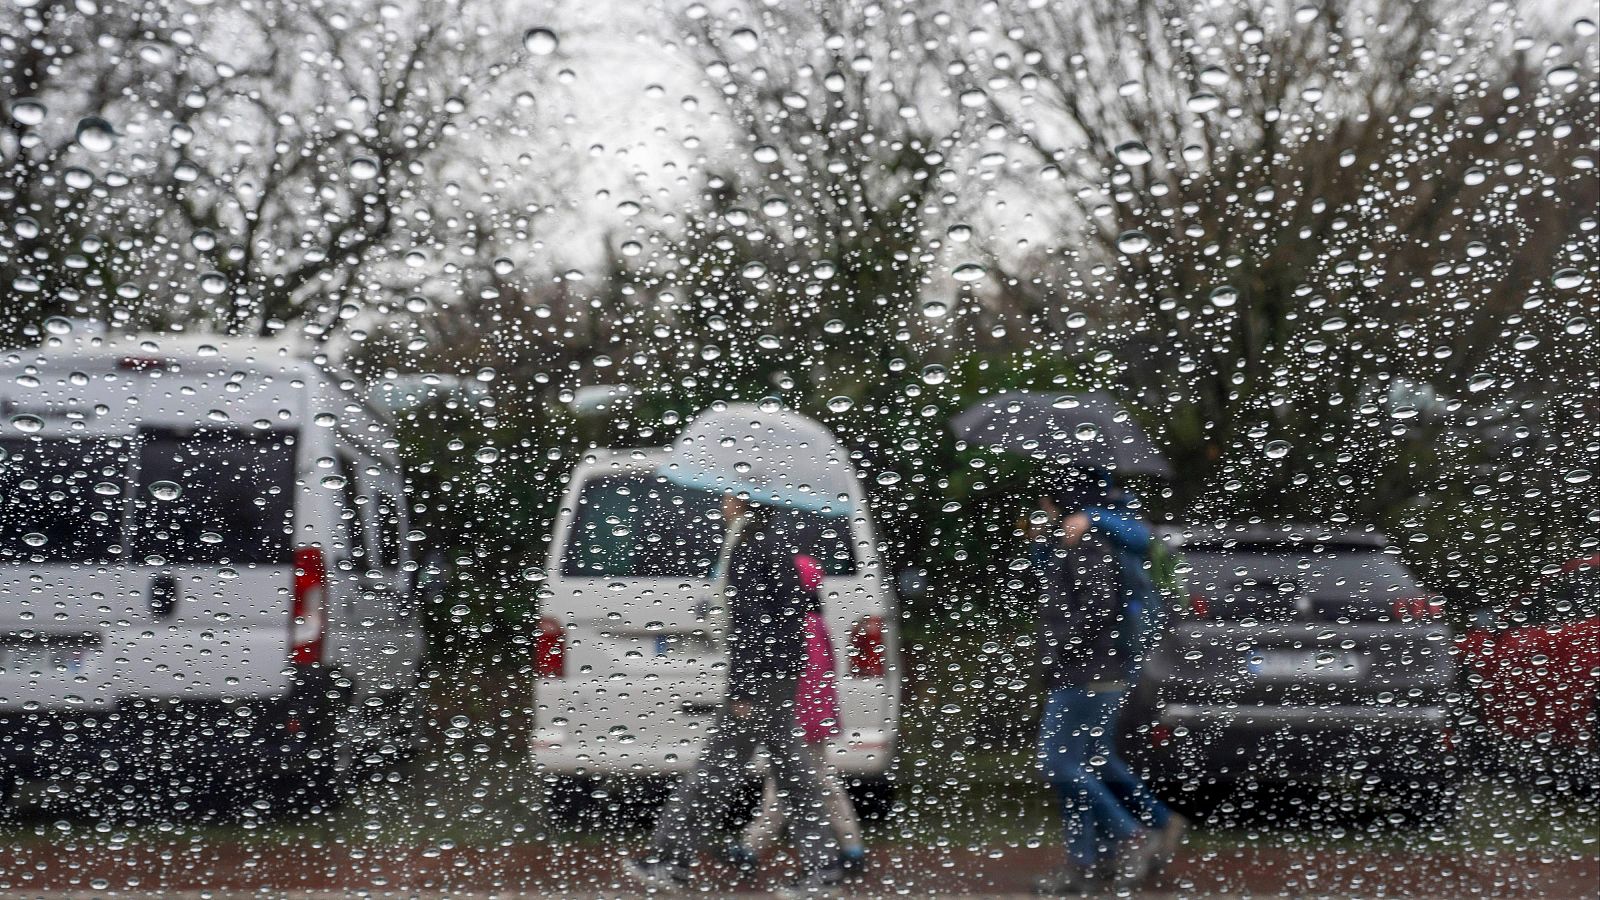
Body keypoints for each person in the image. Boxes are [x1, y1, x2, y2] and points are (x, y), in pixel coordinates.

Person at [625, 494, 841, 897]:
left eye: (728, 496)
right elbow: (784, 618)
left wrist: (742, 688)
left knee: (718, 772)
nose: (721, 503)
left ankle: (670, 860)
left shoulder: (748, 546)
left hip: (758, 682)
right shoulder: (775, 543)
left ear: (743, 501)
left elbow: (752, 622)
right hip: (777, 676)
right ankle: (824, 865)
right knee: (790, 774)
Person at [1032, 473, 1157, 895]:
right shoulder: (1071, 544)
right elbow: (1057, 588)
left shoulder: (1088, 544)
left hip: (1088, 674)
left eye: (1047, 502)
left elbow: (1097, 607)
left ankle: (1129, 833)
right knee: (1078, 767)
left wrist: (1061, 652)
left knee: (1058, 764)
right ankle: (1083, 863)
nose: (1043, 509)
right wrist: (1039, 544)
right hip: (1089, 671)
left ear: (1059, 503)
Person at [725, 553, 867, 875]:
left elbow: (805, 679)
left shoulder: (797, 627)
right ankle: (848, 846)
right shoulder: (816, 623)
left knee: (801, 783)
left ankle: (751, 847)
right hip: (812, 716)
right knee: (804, 781)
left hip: (801, 717)